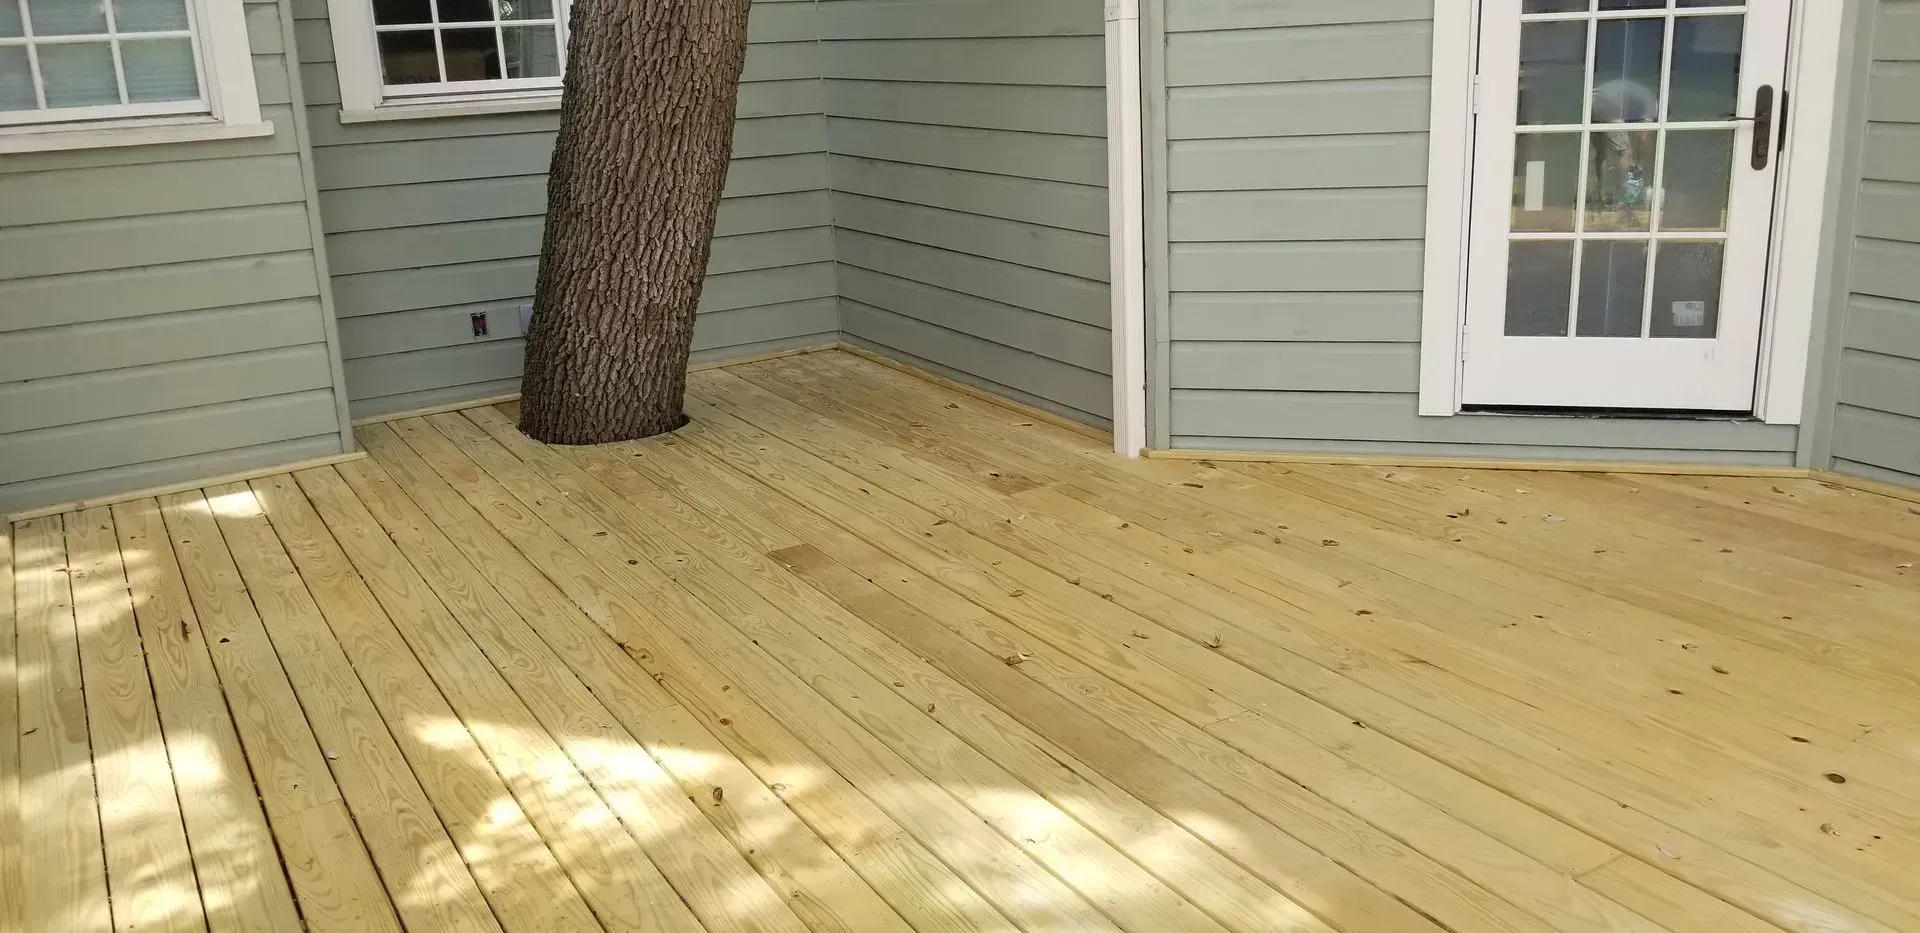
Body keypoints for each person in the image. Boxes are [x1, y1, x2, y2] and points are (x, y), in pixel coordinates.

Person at [1589, 78, 1658, 214]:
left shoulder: (1643, 94)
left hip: (1593, 99)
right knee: (1626, 153)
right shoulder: (1653, 106)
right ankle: (1623, 198)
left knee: (1600, 154)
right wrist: (1637, 159)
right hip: (1610, 105)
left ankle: (1597, 196)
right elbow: (1643, 135)